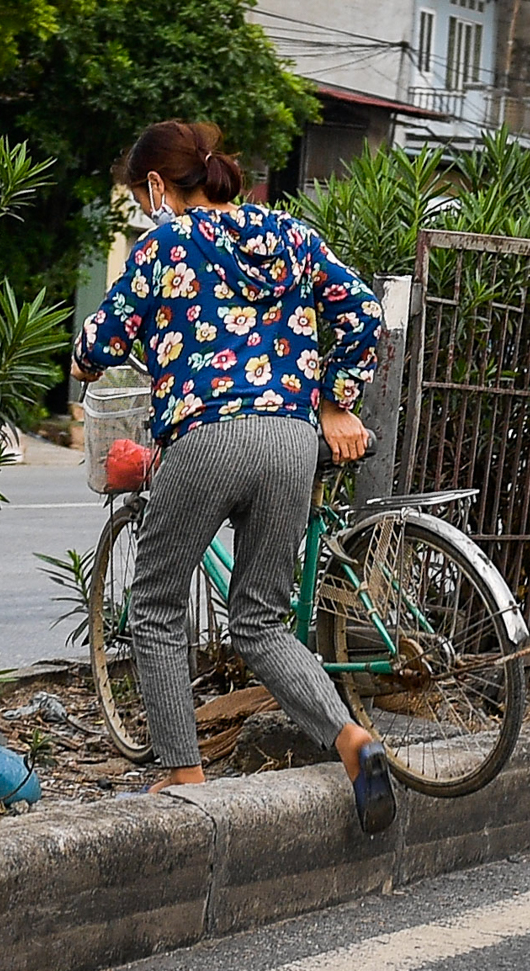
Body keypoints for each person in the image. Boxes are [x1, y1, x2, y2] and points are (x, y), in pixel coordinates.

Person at [70, 120, 395, 833]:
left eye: (140, 193)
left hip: (209, 436)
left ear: (157, 186)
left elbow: (102, 338)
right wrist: (336, 400)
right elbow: (366, 315)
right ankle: (353, 742)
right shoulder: (291, 234)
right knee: (261, 620)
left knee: (154, 602)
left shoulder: (164, 245)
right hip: (291, 439)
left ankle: (185, 774)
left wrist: (84, 363)